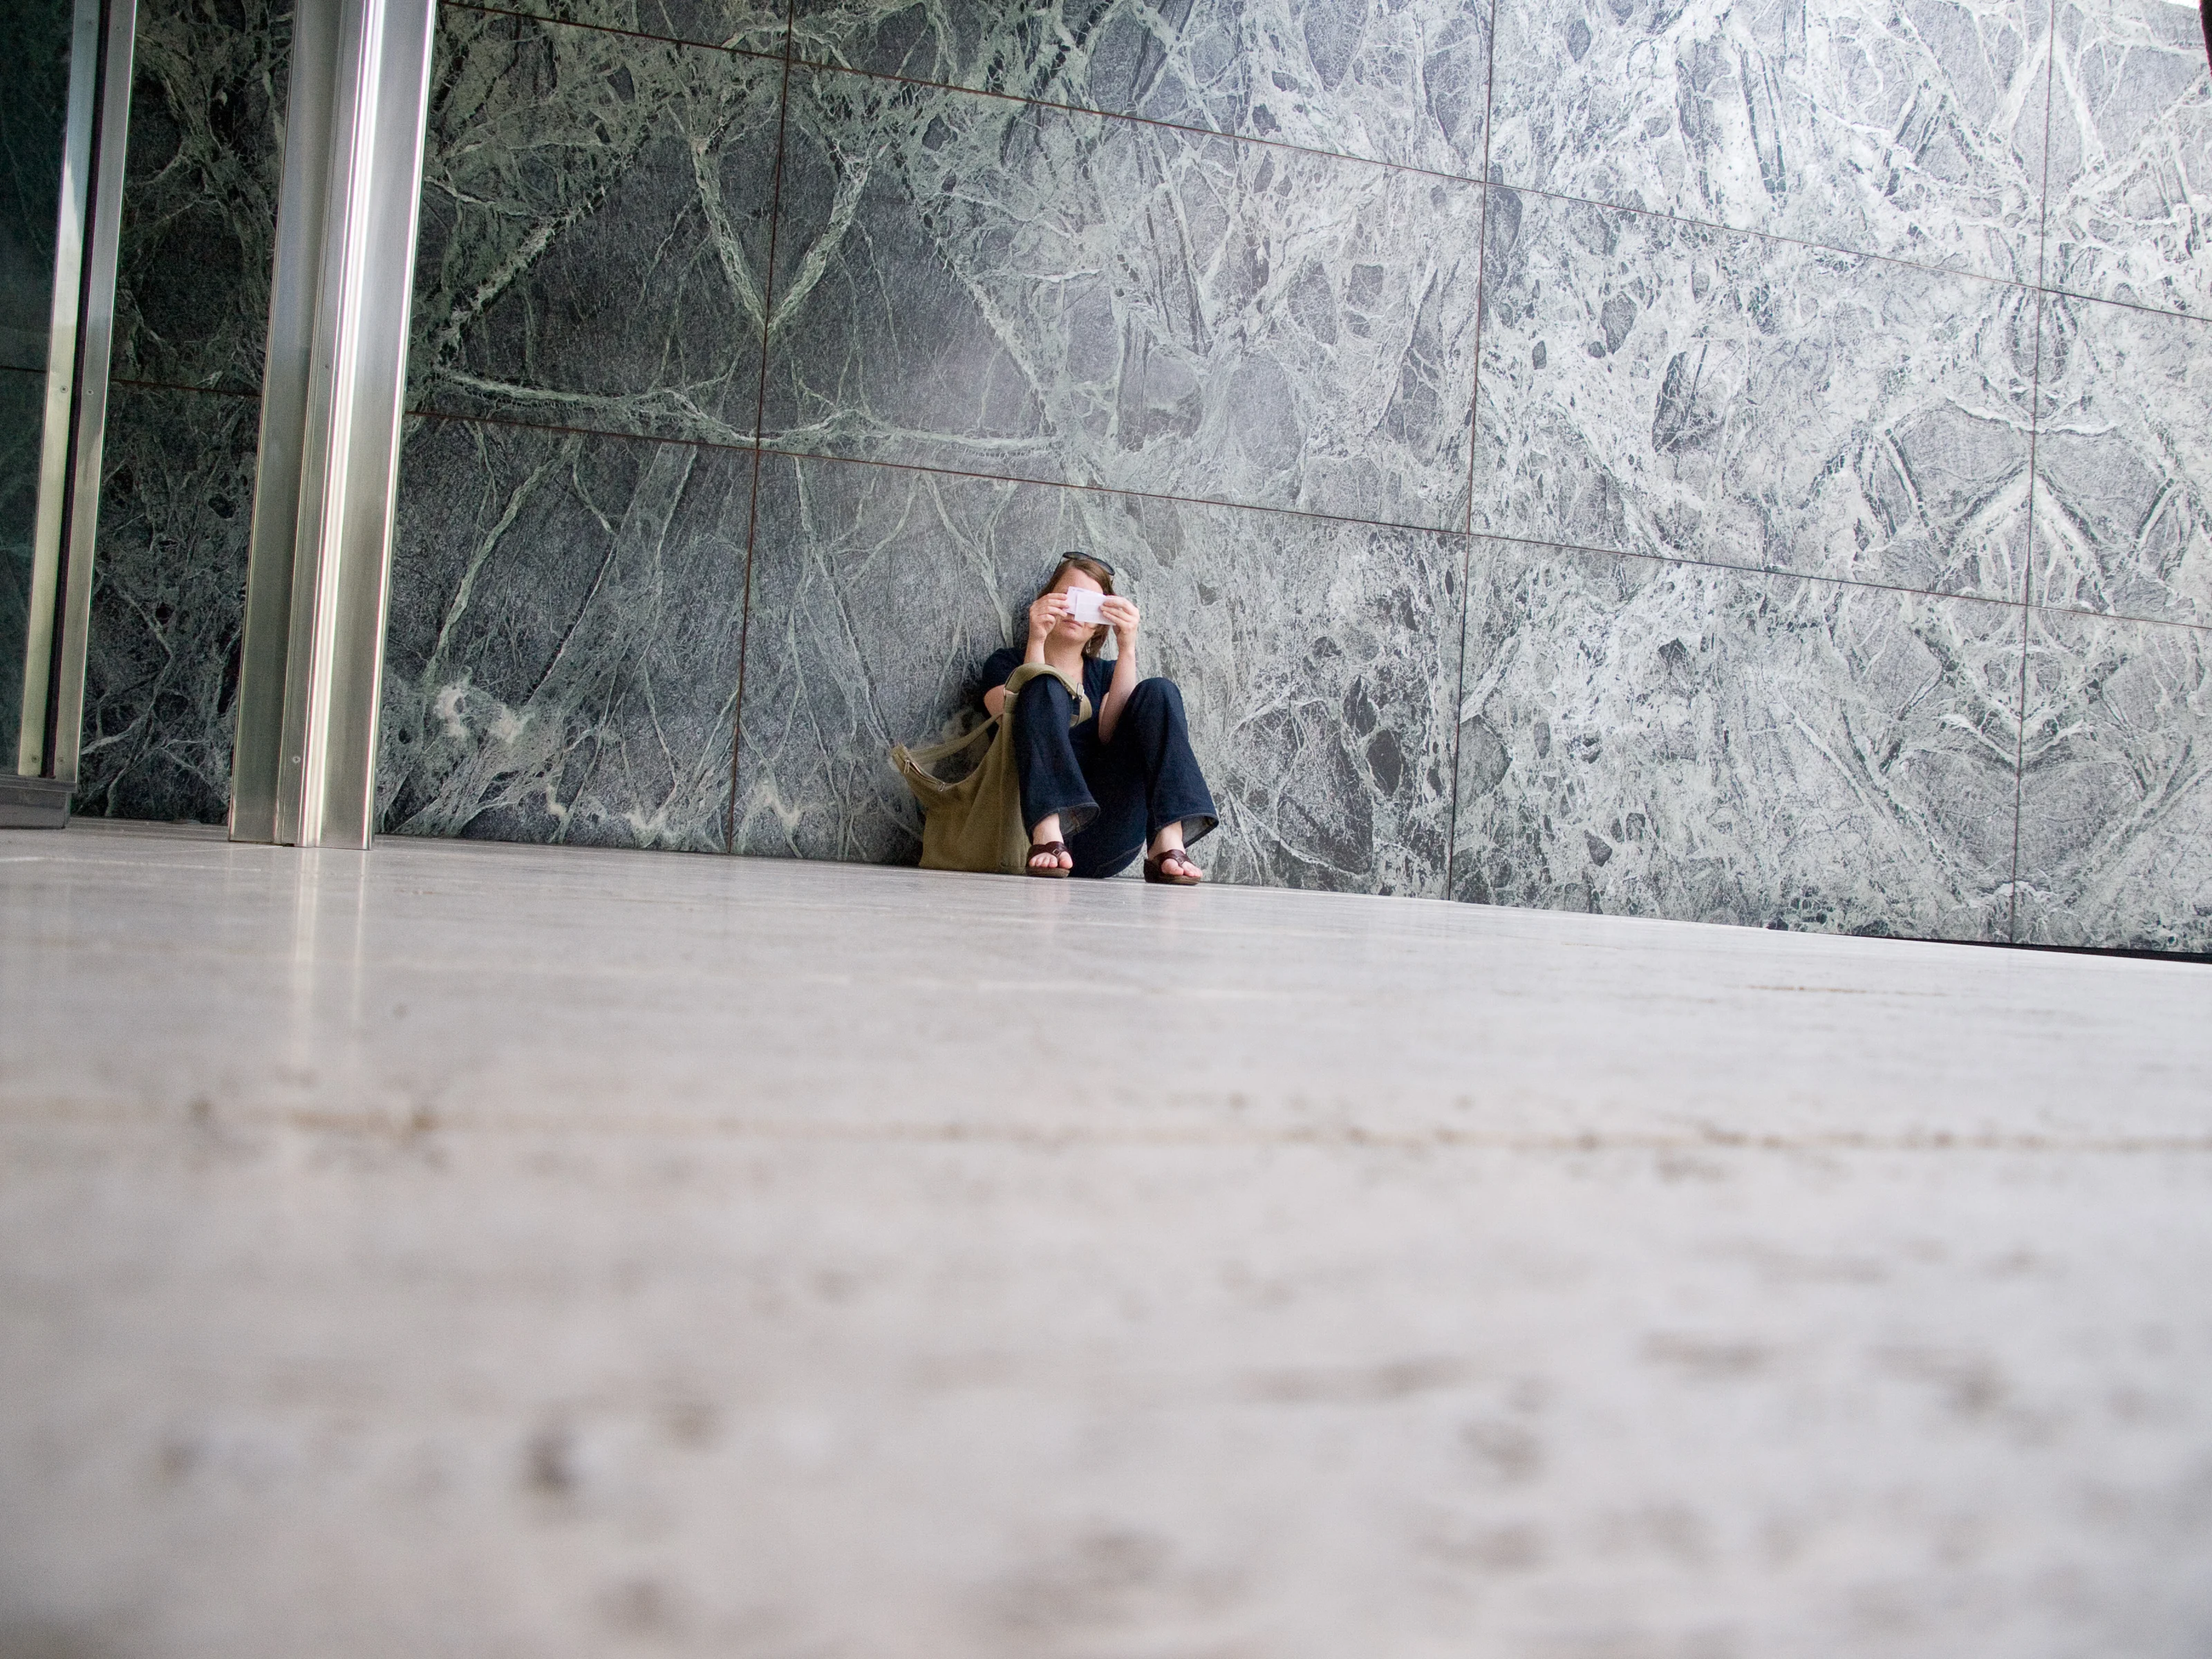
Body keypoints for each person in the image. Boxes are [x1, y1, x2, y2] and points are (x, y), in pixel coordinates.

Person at [977, 553, 1217, 882]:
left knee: (1160, 691)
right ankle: (1048, 833)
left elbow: (1112, 733)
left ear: (1100, 620)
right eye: (1067, 598)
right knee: (1042, 684)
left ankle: (1166, 843)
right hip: (1025, 834)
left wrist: (1127, 647)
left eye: (1089, 604)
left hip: (1105, 836)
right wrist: (1037, 638)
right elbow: (1009, 720)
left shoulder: (1104, 674)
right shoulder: (1004, 664)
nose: (1075, 611)